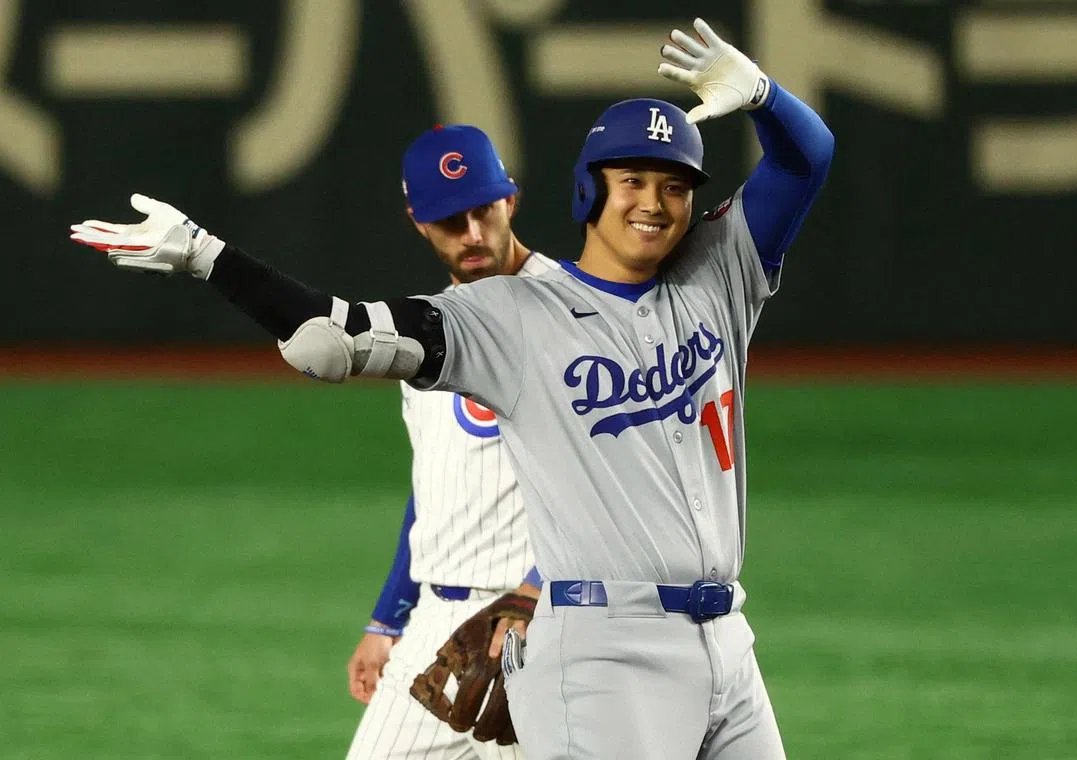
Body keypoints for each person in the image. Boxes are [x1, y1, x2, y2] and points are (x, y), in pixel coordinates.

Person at [70, 19, 833, 760]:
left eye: (674, 186)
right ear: (585, 192)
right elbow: (329, 338)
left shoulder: (718, 275)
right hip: (603, 647)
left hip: (727, 643)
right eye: (631, 179)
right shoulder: (507, 316)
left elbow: (809, 158)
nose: (653, 202)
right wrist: (209, 256)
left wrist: (765, 93)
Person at [341, 125, 551, 759]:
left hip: (530, 622)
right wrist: (386, 621)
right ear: (418, 223)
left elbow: (613, 485)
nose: (473, 235)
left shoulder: (572, 316)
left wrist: (540, 593)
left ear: (509, 199)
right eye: (450, 221)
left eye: (483, 211)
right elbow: (433, 488)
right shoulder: (424, 331)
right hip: (434, 625)